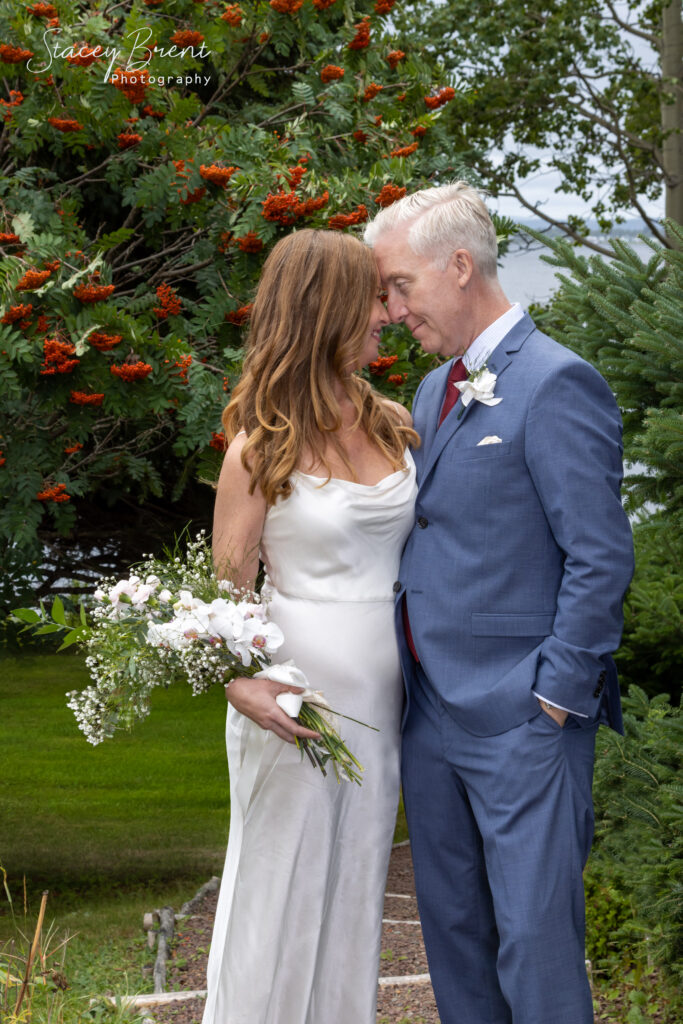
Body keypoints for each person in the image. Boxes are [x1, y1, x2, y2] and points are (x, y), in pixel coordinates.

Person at [364, 182, 635, 1024]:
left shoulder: (557, 382)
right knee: (453, 936)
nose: (392, 308)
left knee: (533, 939)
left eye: (400, 285)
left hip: (522, 716)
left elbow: (599, 556)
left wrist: (553, 695)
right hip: (429, 712)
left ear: (457, 266)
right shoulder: (431, 387)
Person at [202, 228, 419, 1024]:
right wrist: (242, 684)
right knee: (279, 896)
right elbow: (226, 596)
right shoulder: (258, 449)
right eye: (372, 297)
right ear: (325, 308)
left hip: (388, 712)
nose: (388, 314)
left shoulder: (393, 423)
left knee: (356, 893)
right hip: (294, 710)